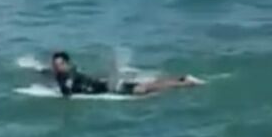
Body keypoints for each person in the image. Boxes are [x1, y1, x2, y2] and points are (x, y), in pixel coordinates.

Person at [49, 52, 202, 97]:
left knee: (147, 88)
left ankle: (186, 83)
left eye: (60, 64)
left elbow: (67, 92)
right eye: (56, 65)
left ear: (67, 64)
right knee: (149, 86)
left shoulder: (69, 76)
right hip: (109, 84)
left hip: (112, 88)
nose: (57, 67)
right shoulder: (68, 73)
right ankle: (182, 79)